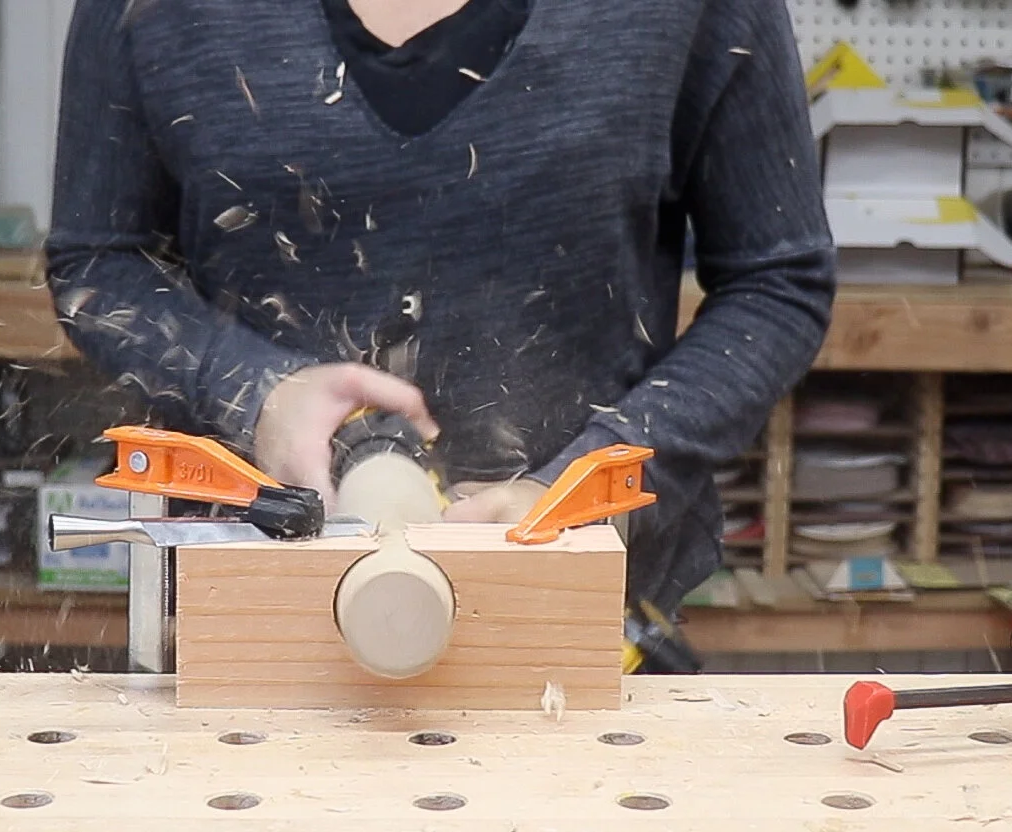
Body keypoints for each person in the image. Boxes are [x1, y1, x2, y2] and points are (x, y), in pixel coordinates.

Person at [45, 0, 836, 626]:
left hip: (580, 615)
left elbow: (778, 280)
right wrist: (256, 394)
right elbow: (98, 266)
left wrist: (583, 484)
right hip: (254, 611)